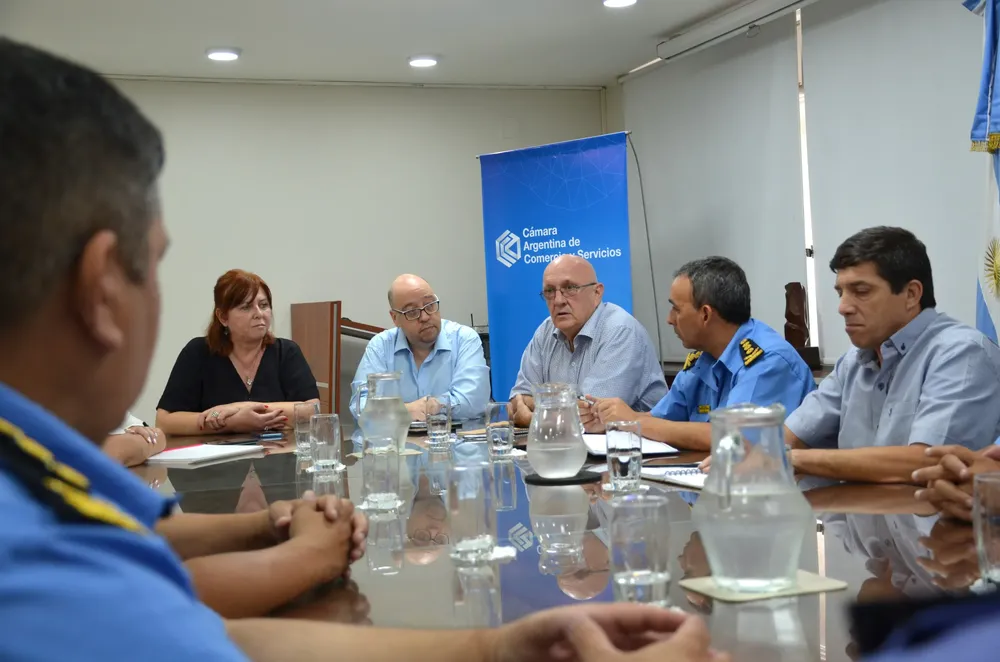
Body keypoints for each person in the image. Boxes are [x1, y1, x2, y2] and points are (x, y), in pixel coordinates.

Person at [0, 38, 727, 662]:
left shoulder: (31, 459)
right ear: (101, 290)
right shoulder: (27, 563)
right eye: (154, 265)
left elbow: (172, 580)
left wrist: (499, 644)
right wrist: (299, 558)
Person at [783, 226, 1000, 484]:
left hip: (935, 521)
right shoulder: (854, 360)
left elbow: (927, 464)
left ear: (911, 294)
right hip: (856, 518)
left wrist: (796, 460)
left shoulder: (962, 353)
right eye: (840, 292)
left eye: (861, 291)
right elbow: (792, 437)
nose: (843, 307)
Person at [590, 257, 815, 450]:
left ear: (705, 314)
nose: (669, 319)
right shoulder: (703, 358)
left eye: (676, 309)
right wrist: (611, 420)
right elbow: (661, 419)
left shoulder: (767, 362)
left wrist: (631, 421)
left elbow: (731, 437)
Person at [156, 269, 321, 436]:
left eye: (263, 305)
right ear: (223, 317)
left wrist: (238, 408)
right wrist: (231, 422)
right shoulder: (198, 353)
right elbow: (165, 421)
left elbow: (312, 411)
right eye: (246, 307)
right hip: (215, 458)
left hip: (277, 456)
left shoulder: (286, 352)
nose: (259, 314)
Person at [510, 255, 666, 430]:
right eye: (549, 291)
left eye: (570, 288)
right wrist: (562, 408)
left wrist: (533, 417)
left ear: (597, 293)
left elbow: (590, 418)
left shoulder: (620, 330)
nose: (558, 300)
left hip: (633, 452)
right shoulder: (545, 332)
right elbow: (518, 400)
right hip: (568, 447)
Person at [351, 274, 489, 422]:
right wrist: (404, 410)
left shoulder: (464, 339)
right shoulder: (381, 346)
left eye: (430, 305)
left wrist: (431, 406)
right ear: (395, 318)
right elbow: (360, 405)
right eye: (412, 312)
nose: (424, 317)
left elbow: (474, 401)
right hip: (398, 442)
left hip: (453, 439)